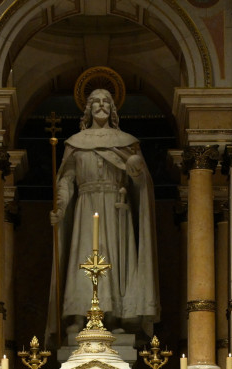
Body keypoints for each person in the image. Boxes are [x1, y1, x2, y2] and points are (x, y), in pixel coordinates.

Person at [50, 88, 158, 334]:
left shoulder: (127, 143)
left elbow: (140, 184)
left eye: (105, 102)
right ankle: (79, 316)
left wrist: (136, 170)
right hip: (85, 207)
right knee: (84, 257)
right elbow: (66, 181)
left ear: (112, 109)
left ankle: (113, 318)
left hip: (116, 207)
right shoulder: (74, 144)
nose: (100, 106)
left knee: (114, 259)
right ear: (87, 109)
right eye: (95, 102)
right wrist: (61, 207)